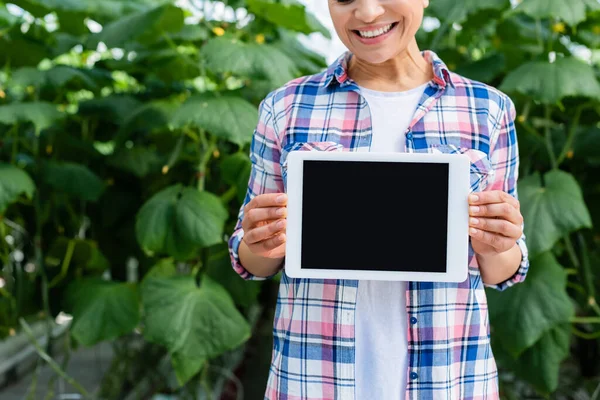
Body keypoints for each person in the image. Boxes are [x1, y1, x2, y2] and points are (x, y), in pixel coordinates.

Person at [228, 0, 530, 398]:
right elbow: (253, 262)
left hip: (449, 379)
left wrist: (500, 241)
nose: (368, 13)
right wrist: (258, 240)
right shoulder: (286, 108)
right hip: (313, 380)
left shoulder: (486, 109)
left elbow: (502, 269)